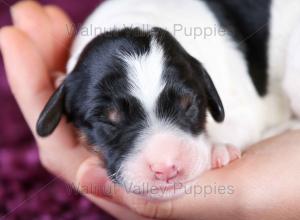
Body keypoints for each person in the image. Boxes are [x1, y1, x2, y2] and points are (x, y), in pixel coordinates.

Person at [1, 1, 300, 219]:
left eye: (185, 108)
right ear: (63, 104)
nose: (167, 163)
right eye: (113, 122)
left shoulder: (208, 55)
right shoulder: (82, 78)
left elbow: (261, 110)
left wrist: (229, 135)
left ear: (205, 87)